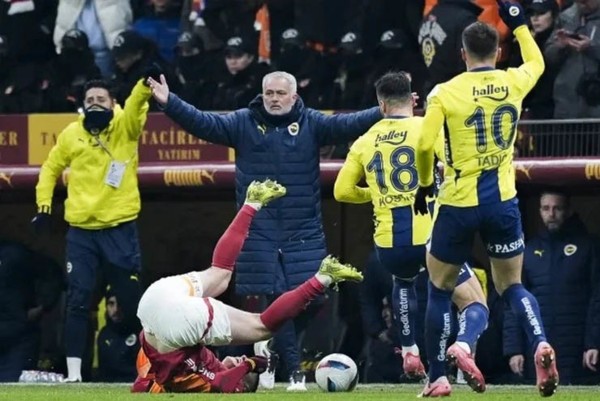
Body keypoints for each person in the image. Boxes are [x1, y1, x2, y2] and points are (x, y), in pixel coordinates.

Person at [146, 70, 381, 390]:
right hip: (259, 228)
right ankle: (295, 371)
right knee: (278, 294)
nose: (273, 98)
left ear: (294, 97)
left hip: (304, 228)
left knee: (313, 297)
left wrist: (384, 110)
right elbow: (204, 123)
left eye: (280, 94)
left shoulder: (312, 123)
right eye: (269, 93)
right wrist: (169, 102)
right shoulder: (243, 122)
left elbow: (347, 124)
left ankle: (268, 344)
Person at [414, 1, 559, 397]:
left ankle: (438, 378)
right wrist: (520, 23)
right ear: (497, 52)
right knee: (512, 286)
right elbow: (538, 63)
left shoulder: (443, 92)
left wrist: (427, 181)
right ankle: (541, 342)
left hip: (459, 202)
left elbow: (425, 142)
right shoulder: (514, 81)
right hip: (503, 200)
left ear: (462, 54)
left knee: (440, 291)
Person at [131, 179, 364, 393]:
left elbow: (222, 383)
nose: (237, 362)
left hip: (167, 315)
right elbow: (145, 383)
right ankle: (251, 204)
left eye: (241, 368)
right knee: (220, 275)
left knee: (261, 326)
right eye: (242, 368)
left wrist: (252, 363)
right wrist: (245, 366)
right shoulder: (186, 370)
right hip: (153, 306)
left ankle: (323, 277)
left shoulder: (200, 376)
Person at [334, 71, 489, 384]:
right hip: (431, 238)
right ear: (412, 99)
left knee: (403, 284)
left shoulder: (365, 139)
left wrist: (373, 193)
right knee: (472, 302)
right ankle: (461, 345)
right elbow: (457, 165)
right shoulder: (425, 128)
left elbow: (341, 191)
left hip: (389, 245)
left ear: (381, 104)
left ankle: (408, 350)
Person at [32, 74, 156, 382]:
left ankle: (151, 367)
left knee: (132, 302)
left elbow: (137, 105)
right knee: (77, 299)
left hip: (119, 228)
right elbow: (50, 168)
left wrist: (144, 84)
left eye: (101, 99)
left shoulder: (125, 128)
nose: (95, 104)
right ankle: (74, 375)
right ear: (82, 107)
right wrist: (44, 207)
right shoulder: (71, 133)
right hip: (81, 231)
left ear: (113, 103)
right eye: (90, 101)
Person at [504, 189, 600, 384]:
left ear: (569, 210)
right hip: (538, 348)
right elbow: (514, 300)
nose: (551, 214)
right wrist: (514, 349)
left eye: (557, 208)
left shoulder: (588, 246)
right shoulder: (528, 249)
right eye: (546, 208)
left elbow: (597, 298)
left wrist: (594, 343)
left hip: (577, 351)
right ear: (539, 211)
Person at [0, 241, 64, 382]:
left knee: (13, 389)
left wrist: (43, 306)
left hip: (17, 338)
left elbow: (53, 273)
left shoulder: (13, 254)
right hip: (15, 330)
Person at [97, 288, 139, 382]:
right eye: (111, 304)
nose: (115, 309)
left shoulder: (138, 333)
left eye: (119, 304)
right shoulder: (104, 334)